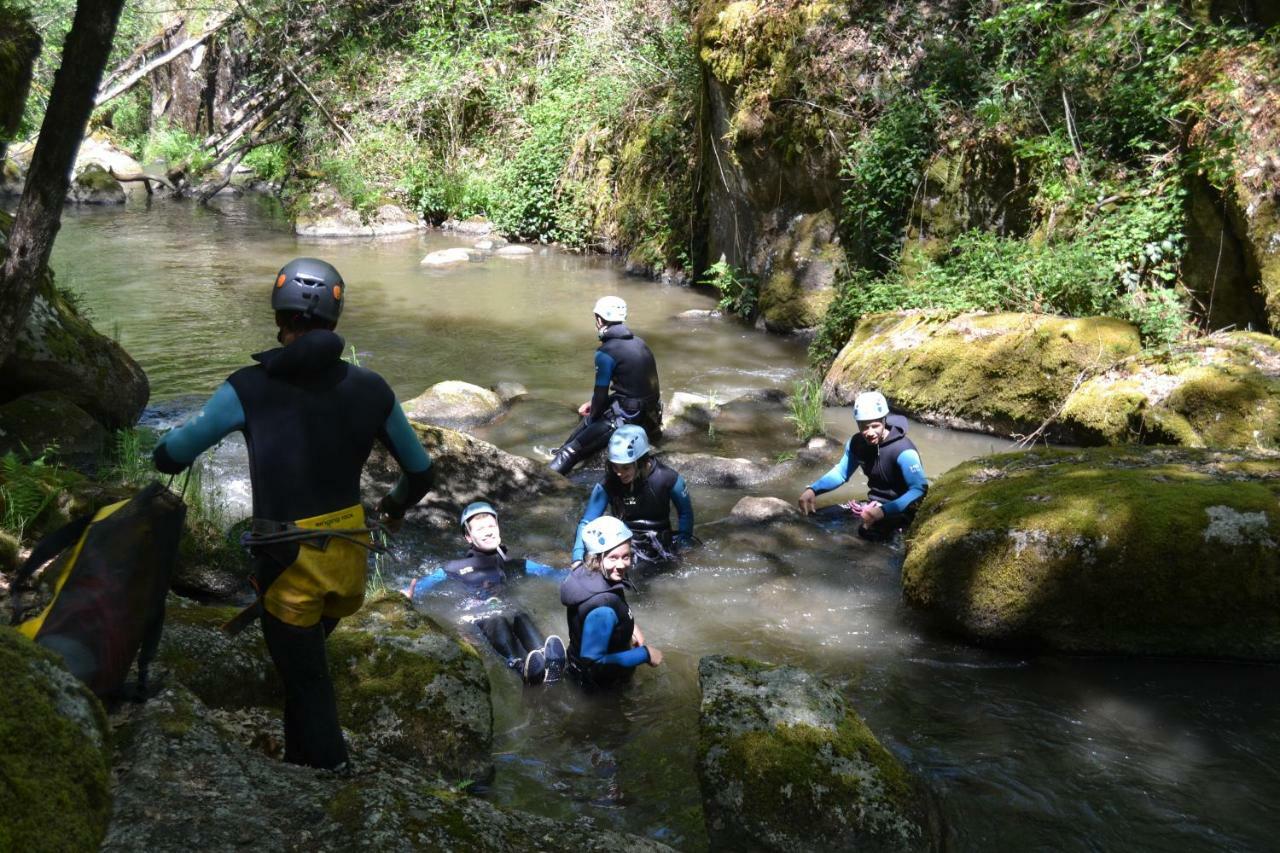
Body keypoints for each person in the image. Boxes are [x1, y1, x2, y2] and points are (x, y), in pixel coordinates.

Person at [153, 257, 434, 770]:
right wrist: (390, 507)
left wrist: (165, 450)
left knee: (307, 680)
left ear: (280, 313)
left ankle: (328, 779)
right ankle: (299, 761)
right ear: (336, 315)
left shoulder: (246, 387)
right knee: (302, 671)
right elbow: (421, 474)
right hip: (348, 555)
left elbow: (173, 454)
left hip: (286, 561)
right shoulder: (373, 388)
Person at [403, 501, 566, 686]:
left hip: (509, 608)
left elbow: (555, 574)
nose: (489, 532)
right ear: (468, 537)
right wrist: (403, 595)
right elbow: (423, 584)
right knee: (496, 617)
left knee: (520, 614)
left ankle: (547, 660)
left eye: (491, 526)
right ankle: (519, 667)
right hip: (481, 614)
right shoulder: (454, 567)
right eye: (481, 529)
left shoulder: (516, 564)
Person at [548, 295, 662, 475]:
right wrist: (593, 405)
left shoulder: (606, 352)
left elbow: (600, 394)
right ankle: (559, 450)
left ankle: (546, 478)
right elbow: (633, 387)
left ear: (600, 320)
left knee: (573, 450)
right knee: (591, 416)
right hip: (651, 414)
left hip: (630, 417)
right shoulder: (640, 343)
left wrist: (594, 413)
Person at [797, 390, 928, 541]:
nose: (869, 432)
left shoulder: (903, 450)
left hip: (900, 510)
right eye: (864, 426)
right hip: (873, 505)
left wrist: (884, 511)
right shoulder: (857, 443)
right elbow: (841, 473)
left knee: (865, 534)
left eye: (875, 426)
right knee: (816, 518)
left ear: (884, 420)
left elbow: (919, 489)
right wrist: (813, 490)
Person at [560, 517, 663, 689]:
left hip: (576, 666)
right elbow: (593, 665)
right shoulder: (603, 607)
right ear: (597, 558)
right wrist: (644, 654)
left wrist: (630, 627)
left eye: (626, 556)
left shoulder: (588, 573)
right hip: (599, 688)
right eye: (613, 558)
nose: (621, 564)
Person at [571, 425, 693, 568]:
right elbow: (587, 522)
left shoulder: (668, 478)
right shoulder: (607, 484)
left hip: (661, 545)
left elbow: (685, 513)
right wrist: (577, 557)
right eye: (615, 466)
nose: (619, 473)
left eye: (626, 467)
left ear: (641, 461)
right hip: (625, 545)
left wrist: (684, 544)